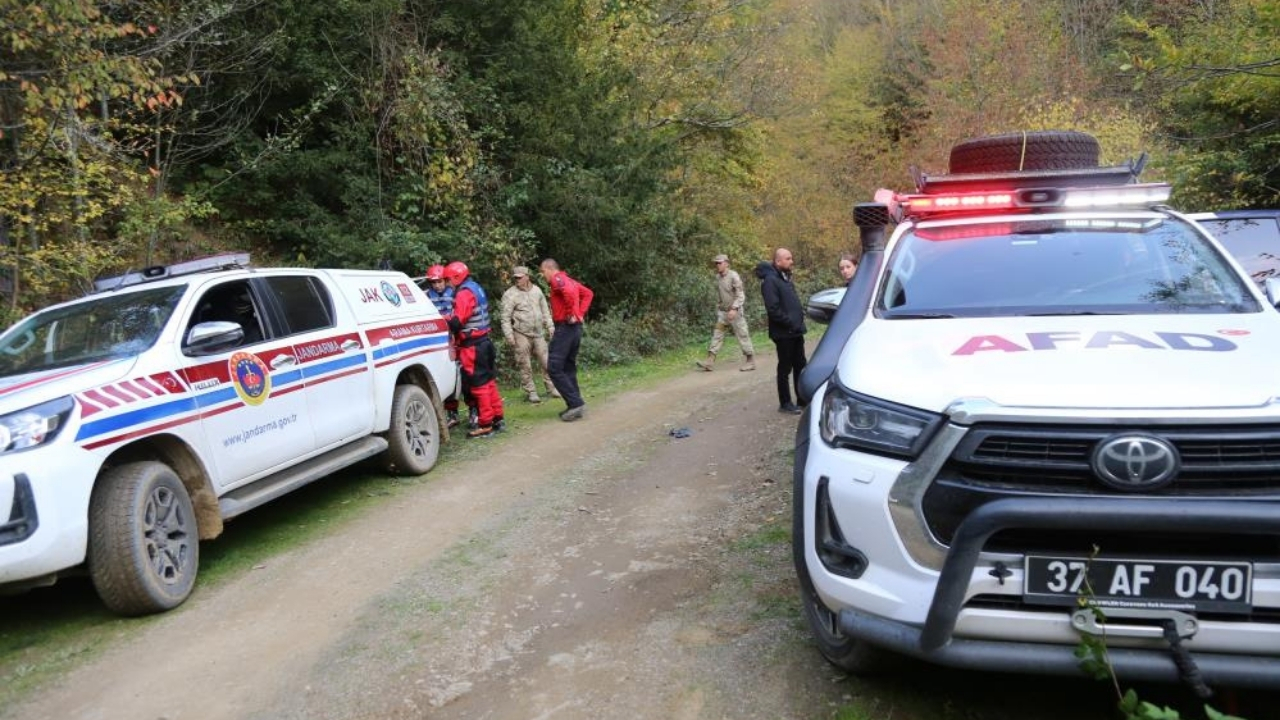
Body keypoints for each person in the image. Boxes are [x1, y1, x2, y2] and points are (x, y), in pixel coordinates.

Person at [444, 261, 505, 438]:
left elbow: (457, 322)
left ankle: (485, 424)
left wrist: (442, 320)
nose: (448, 283)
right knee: (489, 382)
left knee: (479, 386)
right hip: (484, 342)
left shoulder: (464, 293)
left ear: (456, 277)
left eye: (448, 279)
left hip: (473, 346)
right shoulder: (475, 287)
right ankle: (497, 418)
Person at [540, 258, 593, 422]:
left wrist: (572, 313)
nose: (543, 276)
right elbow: (588, 294)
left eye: (542, 272)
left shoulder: (558, 279)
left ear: (549, 269)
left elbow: (569, 294)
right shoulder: (569, 280)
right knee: (568, 367)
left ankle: (575, 404)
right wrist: (580, 313)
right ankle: (576, 404)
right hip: (574, 328)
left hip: (566, 327)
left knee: (554, 367)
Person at [756, 248, 807, 414]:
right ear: (778, 262)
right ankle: (785, 403)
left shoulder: (784, 278)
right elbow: (773, 309)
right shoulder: (770, 281)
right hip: (784, 333)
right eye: (788, 258)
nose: (791, 261)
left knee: (801, 365)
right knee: (785, 367)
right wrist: (790, 323)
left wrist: (799, 320)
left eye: (791, 258)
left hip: (796, 332)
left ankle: (802, 399)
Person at [500, 265, 560, 403]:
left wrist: (550, 326)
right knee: (524, 363)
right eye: (515, 278)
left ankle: (551, 388)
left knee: (546, 362)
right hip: (521, 333)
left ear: (527, 277)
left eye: (520, 278)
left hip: (538, 332)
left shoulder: (537, 291)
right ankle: (531, 392)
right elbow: (505, 317)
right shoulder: (510, 294)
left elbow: (545, 311)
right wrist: (509, 335)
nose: (517, 280)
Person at [696, 253, 755, 372]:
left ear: (726, 263)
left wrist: (734, 309)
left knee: (742, 334)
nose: (717, 265)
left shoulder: (734, 276)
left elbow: (740, 295)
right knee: (717, 334)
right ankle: (709, 361)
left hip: (735, 312)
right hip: (723, 313)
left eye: (719, 262)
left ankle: (750, 361)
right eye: (716, 263)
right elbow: (720, 294)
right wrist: (718, 307)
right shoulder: (718, 277)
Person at [424, 264, 462, 428]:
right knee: (440, 374)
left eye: (439, 282)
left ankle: (456, 411)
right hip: (435, 341)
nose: (437, 285)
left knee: (457, 374)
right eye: (434, 283)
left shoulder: (454, 293)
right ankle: (447, 413)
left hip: (452, 338)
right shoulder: (425, 296)